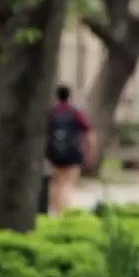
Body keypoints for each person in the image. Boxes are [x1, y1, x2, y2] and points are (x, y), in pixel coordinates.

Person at [43, 85, 94, 214]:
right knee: (68, 183)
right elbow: (88, 132)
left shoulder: (50, 113)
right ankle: (62, 210)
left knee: (55, 182)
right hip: (72, 153)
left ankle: (54, 210)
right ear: (69, 97)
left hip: (54, 153)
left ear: (56, 96)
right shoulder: (75, 113)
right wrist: (90, 151)